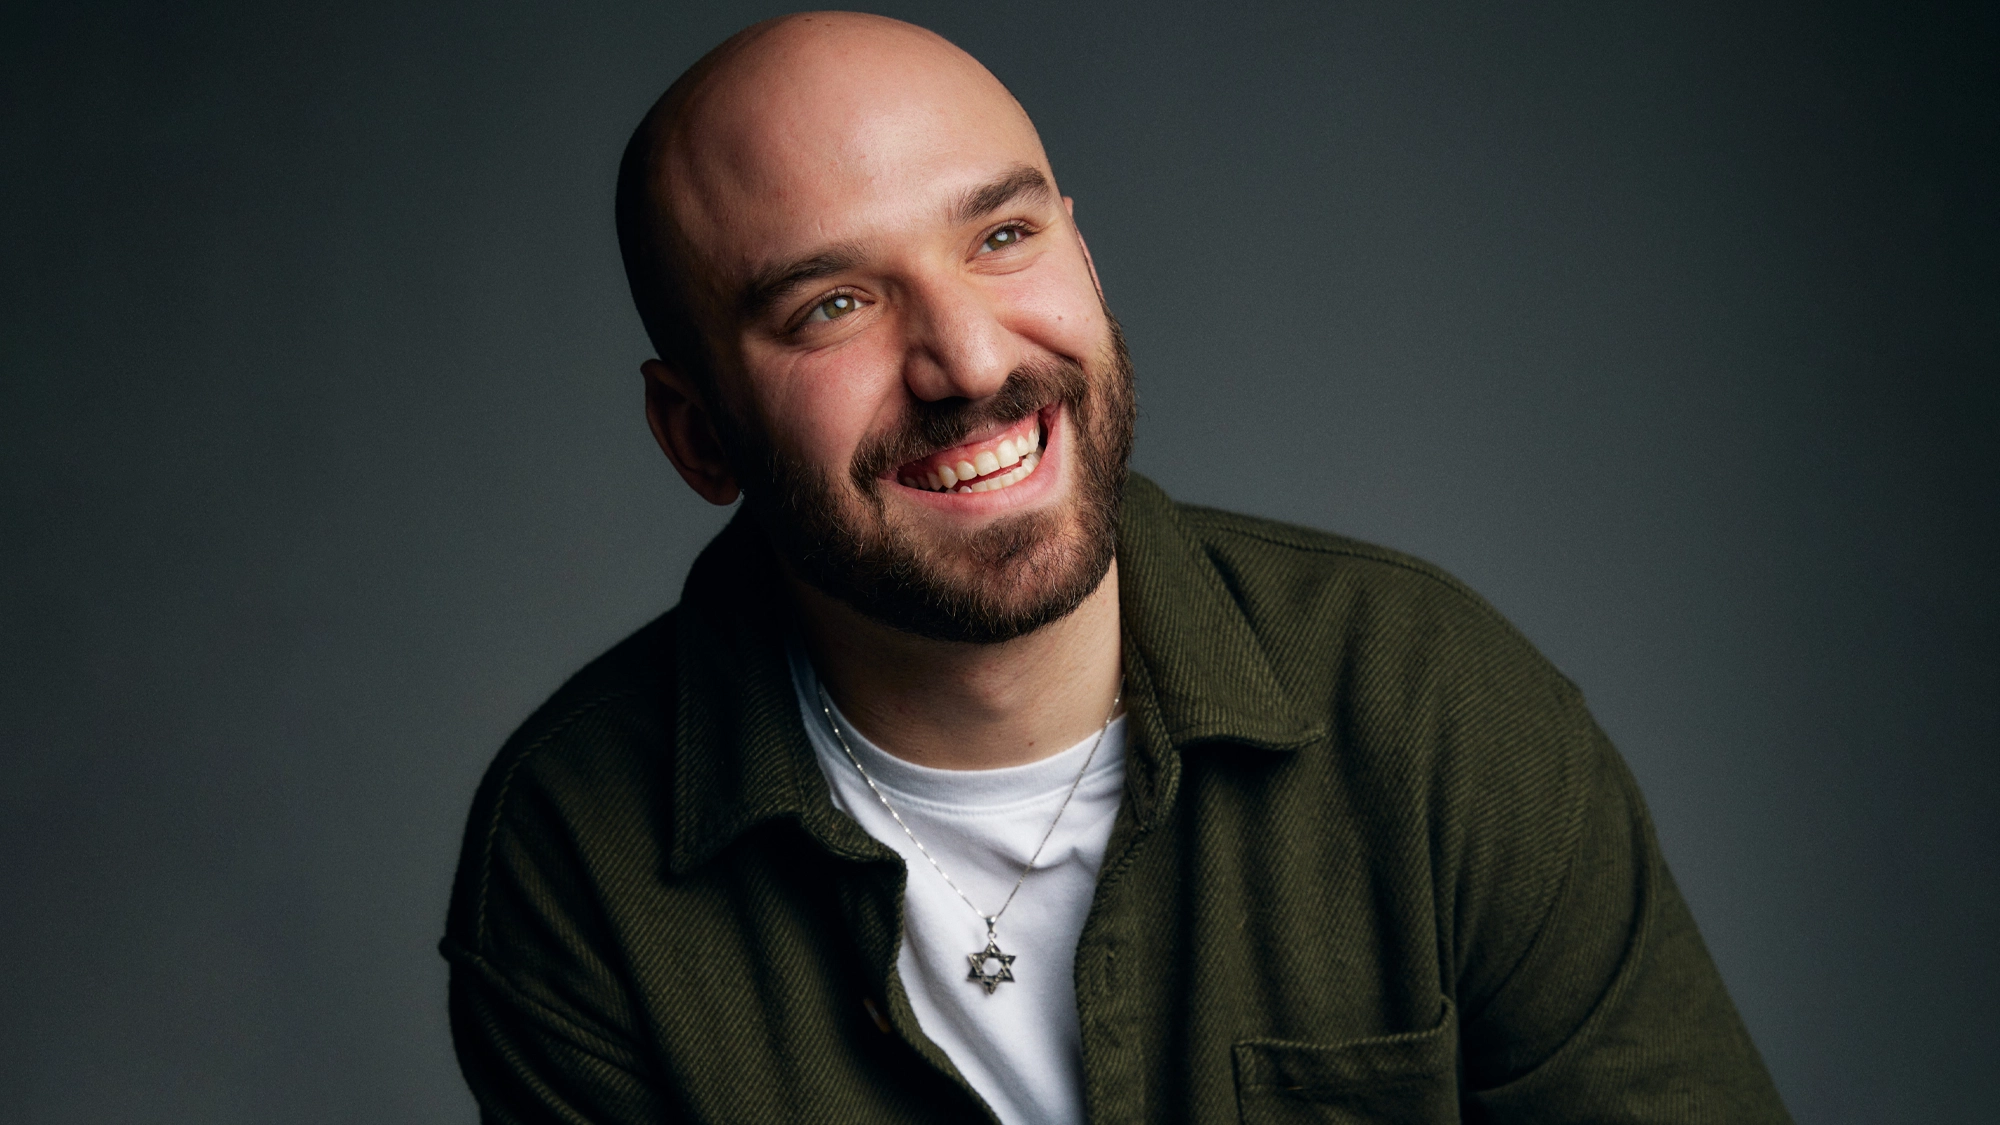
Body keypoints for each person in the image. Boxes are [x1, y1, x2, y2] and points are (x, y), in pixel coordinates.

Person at [440, 11, 1790, 1123]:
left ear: (1080, 247)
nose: (968, 359)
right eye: (833, 304)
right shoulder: (577, 858)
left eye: (1003, 236)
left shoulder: (1436, 713)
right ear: (697, 433)